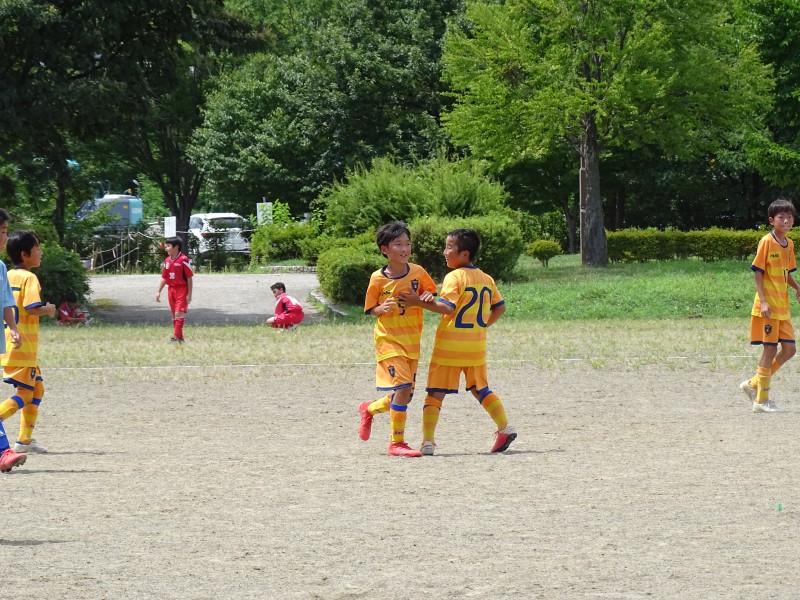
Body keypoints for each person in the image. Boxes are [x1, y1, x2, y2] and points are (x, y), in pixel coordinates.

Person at [400, 228, 516, 455]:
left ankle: (428, 442)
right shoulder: (486, 278)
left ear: (464, 254)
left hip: (449, 347)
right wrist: (481, 326)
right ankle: (505, 427)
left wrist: (417, 301)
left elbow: (447, 308)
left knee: (435, 394)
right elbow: (500, 308)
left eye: (449, 247)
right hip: (475, 347)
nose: (444, 252)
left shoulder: (454, 277)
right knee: (481, 389)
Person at [359, 221, 437, 457]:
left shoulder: (418, 272)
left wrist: (426, 295)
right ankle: (396, 443)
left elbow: (431, 292)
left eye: (407, 244)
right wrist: (381, 308)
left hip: (412, 341)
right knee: (402, 388)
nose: (404, 249)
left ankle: (369, 409)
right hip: (388, 340)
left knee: (405, 395)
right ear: (385, 249)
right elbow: (370, 309)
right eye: (398, 244)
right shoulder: (377, 278)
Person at [740, 197, 800, 412]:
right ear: (772, 220)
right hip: (768, 308)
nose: (786, 221)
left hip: (783, 308)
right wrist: (763, 302)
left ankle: (753, 384)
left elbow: (786, 273)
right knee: (770, 350)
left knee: (790, 350)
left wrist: (797, 287)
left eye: (789, 217)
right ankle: (761, 400)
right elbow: (758, 273)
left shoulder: (789, 244)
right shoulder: (766, 241)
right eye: (781, 217)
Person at [0, 229, 56, 458]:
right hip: (23, 347)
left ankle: (24, 441)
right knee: (25, 394)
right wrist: (49, 309)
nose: (40, 252)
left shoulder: (7, 274)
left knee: (37, 388)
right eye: (37, 248)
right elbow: (32, 308)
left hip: (8, 343)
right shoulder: (29, 278)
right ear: (25, 254)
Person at [0, 210, 24, 472]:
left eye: (6, 232)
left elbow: (6, 301)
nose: (5, 238)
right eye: (2, 232)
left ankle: (3, 452)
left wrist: (13, 327)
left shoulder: (1, 267)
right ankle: (3, 451)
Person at [155, 236, 194, 343]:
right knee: (174, 315)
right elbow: (164, 277)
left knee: (178, 314)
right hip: (171, 289)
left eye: (168, 246)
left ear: (176, 247)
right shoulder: (167, 261)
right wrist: (158, 291)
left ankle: (175, 338)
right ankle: (180, 338)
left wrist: (189, 294)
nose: (166, 248)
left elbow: (189, 278)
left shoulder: (183, 259)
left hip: (182, 289)